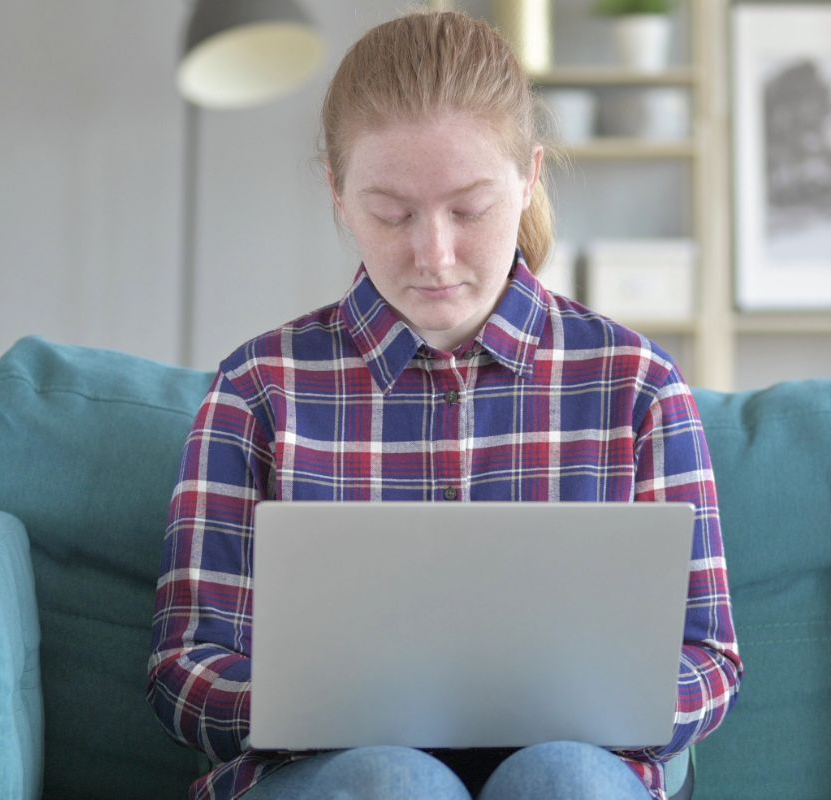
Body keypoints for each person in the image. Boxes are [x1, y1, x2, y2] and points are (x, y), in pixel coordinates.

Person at [147, 10, 741, 800]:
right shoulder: (260, 388)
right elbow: (185, 666)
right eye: (391, 213)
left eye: (469, 209)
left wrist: (612, 708)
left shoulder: (636, 384)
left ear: (529, 177)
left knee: (563, 779)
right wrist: (310, 706)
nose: (434, 254)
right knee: (394, 782)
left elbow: (709, 656)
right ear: (336, 190)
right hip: (333, 778)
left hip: (580, 772)